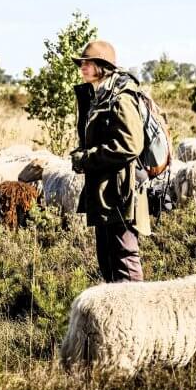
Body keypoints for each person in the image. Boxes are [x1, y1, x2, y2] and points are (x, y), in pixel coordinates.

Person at [70, 40, 150, 283]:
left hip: (120, 193)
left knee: (124, 259)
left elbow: (130, 145)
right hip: (105, 191)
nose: (82, 67)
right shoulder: (99, 96)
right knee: (107, 261)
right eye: (81, 63)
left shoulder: (121, 98)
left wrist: (87, 158)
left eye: (87, 62)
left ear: (102, 66)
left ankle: (135, 314)